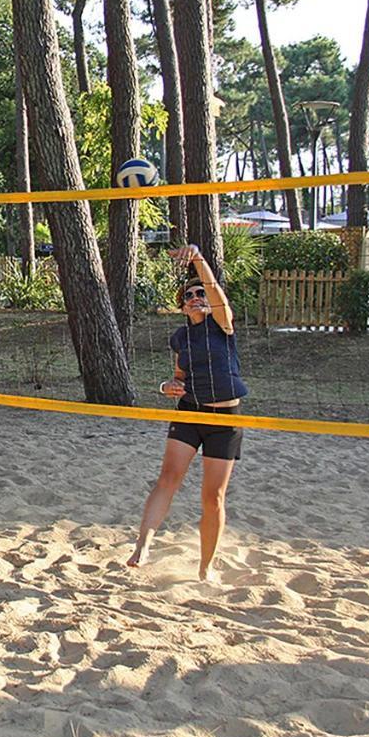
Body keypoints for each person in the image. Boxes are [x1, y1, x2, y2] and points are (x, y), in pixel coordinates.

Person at [127, 244, 247, 582]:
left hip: (224, 420)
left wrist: (197, 260)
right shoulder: (181, 337)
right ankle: (142, 547)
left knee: (213, 497)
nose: (197, 296)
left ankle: (205, 568)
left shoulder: (222, 324)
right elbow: (177, 377)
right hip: (190, 412)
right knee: (168, 480)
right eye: (190, 294)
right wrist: (167, 387)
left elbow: (216, 293)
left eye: (200, 292)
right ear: (182, 305)